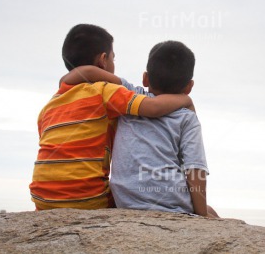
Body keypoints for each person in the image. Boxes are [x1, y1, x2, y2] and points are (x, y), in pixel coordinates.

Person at [29, 25, 193, 210]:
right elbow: (153, 107)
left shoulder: (48, 108)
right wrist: (184, 99)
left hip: (41, 200)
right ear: (103, 60)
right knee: (137, 200)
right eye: (113, 58)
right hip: (88, 199)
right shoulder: (104, 91)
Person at [62, 41, 218, 217]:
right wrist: (202, 216)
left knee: (210, 212)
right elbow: (195, 170)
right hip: (169, 201)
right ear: (189, 87)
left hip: (125, 199)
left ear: (145, 78)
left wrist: (63, 81)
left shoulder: (129, 95)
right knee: (211, 213)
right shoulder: (187, 118)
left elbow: (84, 72)